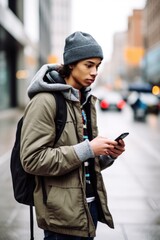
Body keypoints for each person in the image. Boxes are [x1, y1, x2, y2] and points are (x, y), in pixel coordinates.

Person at [20, 31, 126, 240]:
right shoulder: (45, 101)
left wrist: (107, 155)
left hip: (87, 210)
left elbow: (82, 164)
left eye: (98, 65)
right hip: (61, 218)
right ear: (71, 64)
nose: (95, 72)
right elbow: (32, 160)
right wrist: (88, 149)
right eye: (89, 65)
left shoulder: (84, 101)